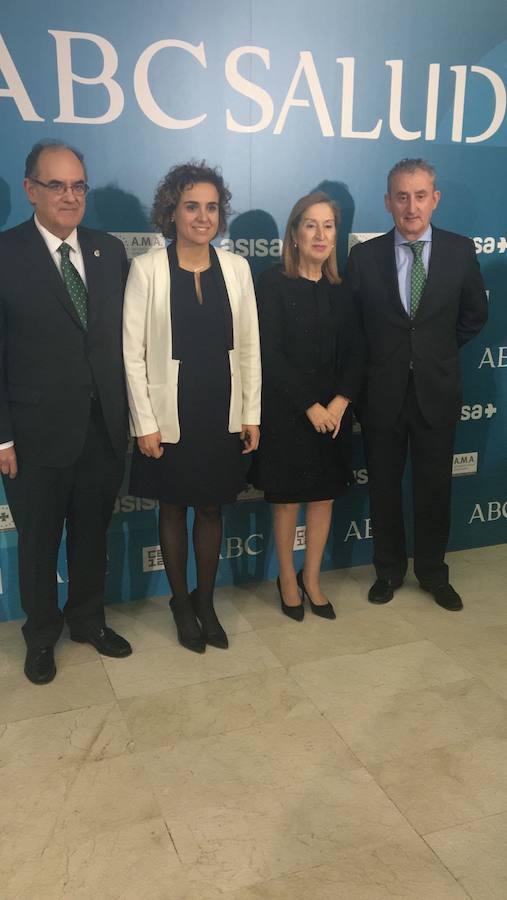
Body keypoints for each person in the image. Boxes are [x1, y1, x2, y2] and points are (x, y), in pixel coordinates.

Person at [0, 140, 132, 684]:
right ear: (30, 189)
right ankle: (40, 636)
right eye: (56, 185)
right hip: (33, 436)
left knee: (91, 535)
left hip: (102, 430)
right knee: (37, 543)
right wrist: (1, 437)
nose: (69, 195)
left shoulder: (109, 250)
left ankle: (88, 620)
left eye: (78, 185)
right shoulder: (5, 254)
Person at [123, 161, 261, 653]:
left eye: (211, 207)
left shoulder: (238, 269)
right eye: (191, 206)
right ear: (171, 211)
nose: (202, 217)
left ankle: (206, 601)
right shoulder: (147, 269)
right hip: (168, 415)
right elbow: (131, 354)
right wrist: (145, 423)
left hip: (221, 411)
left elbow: (249, 348)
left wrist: (251, 414)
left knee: (210, 508)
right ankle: (180, 602)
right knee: (172, 505)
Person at [347, 158, 488, 611]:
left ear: (435, 199)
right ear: (388, 201)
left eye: (420, 195)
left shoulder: (461, 251)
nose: (411, 207)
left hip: (436, 391)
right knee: (384, 488)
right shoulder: (363, 257)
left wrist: (434, 352)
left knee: (434, 489)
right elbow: (354, 328)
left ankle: (433, 573)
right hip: (380, 394)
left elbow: (473, 317)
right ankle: (387, 571)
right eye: (402, 196)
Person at [253, 192, 364, 621]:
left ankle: (312, 578)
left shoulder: (343, 287)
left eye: (329, 225)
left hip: (335, 415)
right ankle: (286, 578)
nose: (320, 234)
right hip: (287, 413)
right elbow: (269, 353)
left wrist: (338, 403)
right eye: (311, 225)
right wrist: (309, 407)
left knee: (323, 499)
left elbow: (358, 352)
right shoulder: (272, 282)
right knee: (287, 502)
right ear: (295, 234)